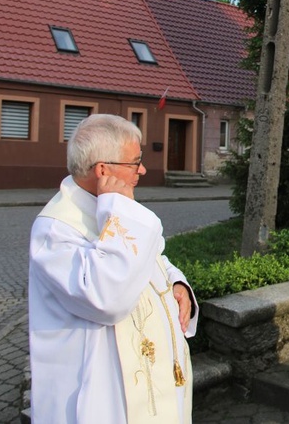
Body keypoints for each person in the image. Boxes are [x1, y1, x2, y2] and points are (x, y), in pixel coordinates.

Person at [29, 114, 198, 424]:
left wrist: (177, 284)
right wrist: (119, 211)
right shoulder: (56, 230)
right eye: (135, 162)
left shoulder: (112, 207)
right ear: (103, 169)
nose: (143, 170)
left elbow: (156, 258)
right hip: (103, 396)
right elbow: (107, 299)